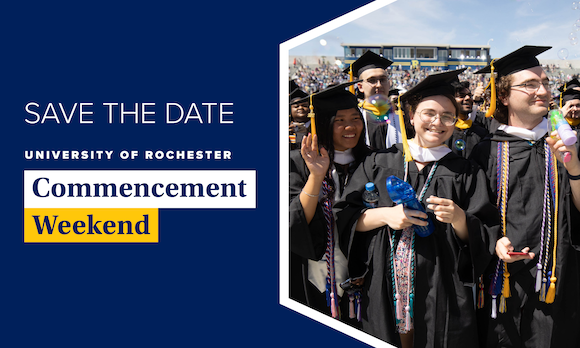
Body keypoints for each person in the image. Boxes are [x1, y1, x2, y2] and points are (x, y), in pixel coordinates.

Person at [334, 69, 499, 348]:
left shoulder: (465, 170)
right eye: (429, 113)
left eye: (448, 115)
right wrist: (385, 215)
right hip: (384, 285)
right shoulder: (380, 161)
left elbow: (485, 233)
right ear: (411, 116)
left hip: (442, 288)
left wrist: (460, 219)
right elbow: (344, 217)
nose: (438, 122)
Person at [471, 45, 580, 347]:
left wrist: (574, 167)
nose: (543, 91)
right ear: (503, 96)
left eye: (545, 82)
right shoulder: (486, 150)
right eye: (530, 84)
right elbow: (476, 216)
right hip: (503, 285)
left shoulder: (569, 144)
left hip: (561, 280)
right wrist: (494, 242)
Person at [289, 81, 371, 325]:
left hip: (364, 279)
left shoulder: (374, 161)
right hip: (313, 277)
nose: (350, 126)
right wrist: (315, 176)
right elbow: (294, 221)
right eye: (339, 120)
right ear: (324, 124)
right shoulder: (297, 161)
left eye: (356, 118)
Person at [344, 51, 402, 150]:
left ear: (389, 83)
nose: (379, 85)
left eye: (383, 80)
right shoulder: (353, 118)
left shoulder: (402, 117)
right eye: (372, 80)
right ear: (360, 86)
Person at [446, 80, 489, 158]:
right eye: (461, 96)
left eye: (469, 95)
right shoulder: (445, 133)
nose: (468, 98)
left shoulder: (481, 132)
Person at [289, 80, 310, 150]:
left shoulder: (318, 126)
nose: (300, 108)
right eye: (296, 106)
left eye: (304, 105)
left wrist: (306, 130)